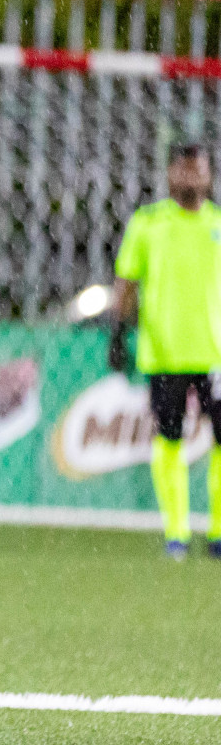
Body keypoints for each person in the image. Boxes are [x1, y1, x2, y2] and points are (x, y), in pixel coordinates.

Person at [109, 143, 221, 560]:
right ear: (171, 174)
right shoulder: (148, 223)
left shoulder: (218, 224)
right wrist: (118, 334)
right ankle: (176, 532)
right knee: (169, 438)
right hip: (164, 353)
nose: (192, 178)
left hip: (215, 354)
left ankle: (218, 532)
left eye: (199, 170)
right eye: (184, 170)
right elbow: (127, 282)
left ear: (209, 175)